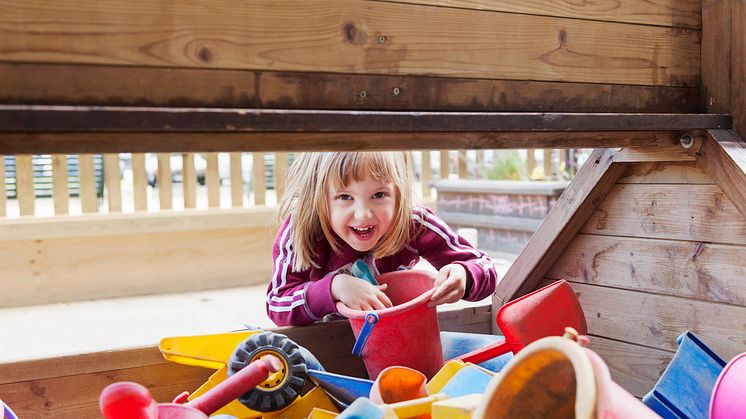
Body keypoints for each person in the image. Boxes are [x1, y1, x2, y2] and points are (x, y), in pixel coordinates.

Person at [266, 152, 497, 326]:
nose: (363, 214)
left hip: (397, 339)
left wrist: (464, 275)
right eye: (344, 197)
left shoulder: (412, 222)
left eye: (379, 195)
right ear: (319, 198)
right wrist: (335, 287)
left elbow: (483, 267)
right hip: (327, 347)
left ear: (399, 193)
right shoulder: (303, 229)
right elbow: (277, 304)